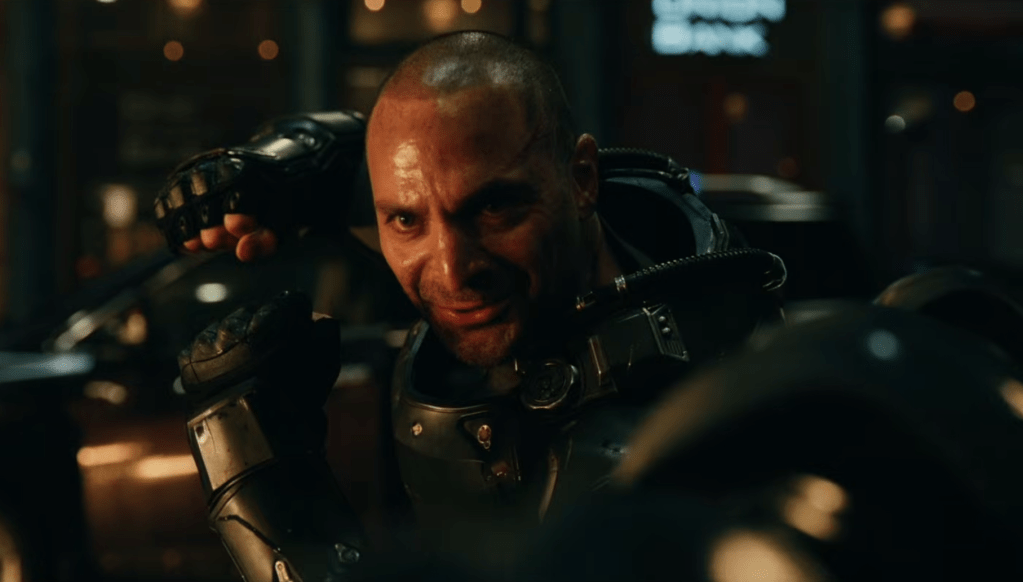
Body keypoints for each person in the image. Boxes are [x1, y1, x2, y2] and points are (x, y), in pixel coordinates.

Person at [158, 31, 785, 580]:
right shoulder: (599, 262)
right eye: (406, 220)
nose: (452, 270)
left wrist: (270, 492)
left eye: (493, 208)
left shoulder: (682, 437)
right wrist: (297, 162)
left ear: (582, 179)